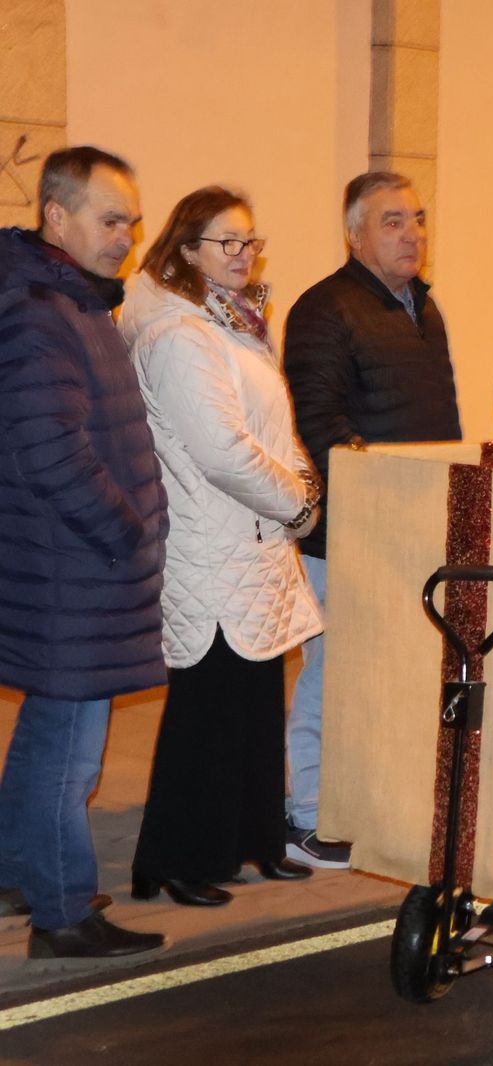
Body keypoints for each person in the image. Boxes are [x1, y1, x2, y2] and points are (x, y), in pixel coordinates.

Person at [121, 187, 321, 905]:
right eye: (226, 243)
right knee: (205, 713)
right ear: (185, 250)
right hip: (211, 544)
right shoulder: (177, 335)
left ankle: (253, 840)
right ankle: (174, 860)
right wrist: (298, 500)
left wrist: (300, 480)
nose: (242, 255)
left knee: (255, 702)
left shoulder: (231, 321)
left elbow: (272, 421)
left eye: (249, 241)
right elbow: (220, 450)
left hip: (255, 540)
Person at [0, 146, 166, 958]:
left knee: (45, 737)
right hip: (76, 574)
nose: (125, 237)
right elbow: (49, 449)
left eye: (131, 221)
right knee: (70, 758)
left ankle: (17, 873)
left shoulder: (74, 302)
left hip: (70, 573)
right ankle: (63, 915)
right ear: (57, 217)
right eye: (110, 220)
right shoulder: (41, 312)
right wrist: (126, 531)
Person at [283, 172, 462, 869]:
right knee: (331, 672)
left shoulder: (423, 306)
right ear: (354, 233)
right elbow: (319, 423)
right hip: (351, 533)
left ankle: (365, 800)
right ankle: (302, 814)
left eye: (417, 218)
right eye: (392, 221)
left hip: (414, 527)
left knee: (389, 676)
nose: (412, 232)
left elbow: (439, 423)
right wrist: (377, 505)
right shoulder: (324, 309)